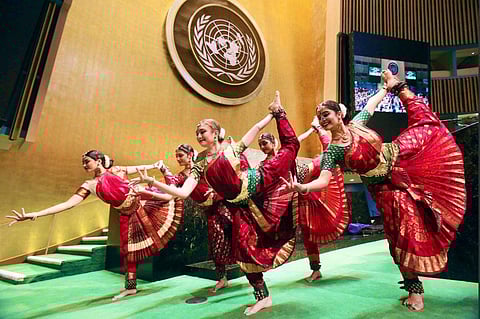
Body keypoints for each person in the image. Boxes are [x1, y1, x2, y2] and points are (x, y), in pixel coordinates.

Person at [281, 70, 466, 312]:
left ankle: (399, 86)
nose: (323, 119)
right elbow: (325, 179)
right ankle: (414, 289)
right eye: (320, 117)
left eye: (326, 114)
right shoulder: (334, 151)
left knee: (427, 127)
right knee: (404, 234)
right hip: (386, 190)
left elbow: (371, 103)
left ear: (339, 114)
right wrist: (302, 187)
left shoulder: (357, 123)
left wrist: (387, 88)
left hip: (403, 160)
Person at [132, 91, 299, 316]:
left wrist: (273, 114)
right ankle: (263, 296)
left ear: (215, 133)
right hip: (239, 206)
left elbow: (255, 129)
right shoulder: (199, 165)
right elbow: (182, 193)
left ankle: (282, 114)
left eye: (203, 132)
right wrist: (153, 182)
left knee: (290, 149)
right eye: (197, 133)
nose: (199, 135)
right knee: (243, 250)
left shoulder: (231, 148)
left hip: (259, 181)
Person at [6, 150, 183, 301]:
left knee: (168, 198)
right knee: (127, 252)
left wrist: (157, 165)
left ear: (98, 161)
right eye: (83, 163)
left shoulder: (117, 170)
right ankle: (131, 287)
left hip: (141, 199)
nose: (84, 165)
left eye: (87, 161)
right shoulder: (89, 185)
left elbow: (141, 168)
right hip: (125, 214)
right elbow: (68, 204)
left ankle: (173, 178)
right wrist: (36, 214)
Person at [257, 118, 349, 283]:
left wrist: (317, 130)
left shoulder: (284, 154)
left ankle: (315, 269)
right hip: (290, 200)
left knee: (328, 156)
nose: (263, 147)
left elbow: (299, 143)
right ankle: (315, 269)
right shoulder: (264, 164)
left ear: (274, 142)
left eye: (265, 143)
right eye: (260, 144)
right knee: (306, 236)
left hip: (303, 184)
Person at [158, 144, 236, 293]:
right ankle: (222, 279)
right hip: (209, 211)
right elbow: (172, 186)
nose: (178, 159)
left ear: (190, 155)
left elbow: (219, 176)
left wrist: (216, 188)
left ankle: (252, 270)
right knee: (216, 243)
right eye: (177, 156)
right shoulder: (182, 176)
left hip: (223, 204)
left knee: (236, 235)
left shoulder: (202, 167)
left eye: (181, 155)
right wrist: (163, 170)